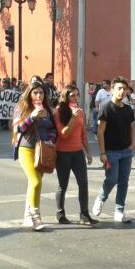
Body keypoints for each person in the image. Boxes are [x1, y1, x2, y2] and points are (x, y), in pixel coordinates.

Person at [12, 81, 57, 231]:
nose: (38, 95)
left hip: (43, 150)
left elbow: (52, 129)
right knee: (35, 181)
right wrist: (32, 117)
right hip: (26, 148)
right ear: (29, 94)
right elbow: (18, 128)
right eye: (35, 92)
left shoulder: (48, 109)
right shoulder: (22, 107)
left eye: (41, 93)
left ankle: (27, 216)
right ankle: (36, 216)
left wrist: (51, 140)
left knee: (34, 184)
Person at [92, 76, 135, 223]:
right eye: (119, 88)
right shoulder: (106, 108)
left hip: (126, 151)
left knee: (124, 181)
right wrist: (102, 153)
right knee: (111, 179)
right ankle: (100, 198)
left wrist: (132, 143)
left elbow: (131, 127)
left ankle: (119, 211)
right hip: (111, 151)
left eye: (125, 89)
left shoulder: (128, 109)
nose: (122, 91)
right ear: (112, 90)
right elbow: (100, 131)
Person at [54, 86, 97, 225]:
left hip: (78, 152)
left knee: (83, 183)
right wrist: (73, 116)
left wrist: (88, 152)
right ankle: (60, 214)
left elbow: (83, 134)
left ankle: (84, 214)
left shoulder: (80, 112)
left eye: (77, 95)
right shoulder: (59, 111)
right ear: (65, 97)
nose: (76, 98)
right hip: (62, 153)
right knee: (63, 185)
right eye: (72, 95)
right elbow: (64, 134)